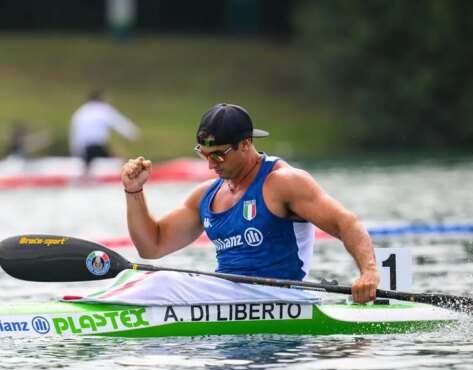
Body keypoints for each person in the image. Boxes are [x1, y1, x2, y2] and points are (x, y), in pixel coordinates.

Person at [121, 103, 381, 304]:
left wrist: (368, 273)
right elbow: (152, 246)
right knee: (146, 278)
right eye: (203, 154)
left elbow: (345, 222)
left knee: (163, 282)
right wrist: (134, 191)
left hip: (282, 297)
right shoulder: (207, 196)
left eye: (219, 155)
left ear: (245, 144)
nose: (211, 165)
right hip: (231, 298)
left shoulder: (282, 182)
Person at [69, 90, 139, 175]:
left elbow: (74, 134)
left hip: (84, 148)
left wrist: (76, 152)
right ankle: (132, 173)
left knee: (88, 167)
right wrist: (134, 134)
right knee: (120, 154)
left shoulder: (80, 112)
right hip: (97, 145)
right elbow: (120, 123)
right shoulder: (103, 109)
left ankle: (87, 176)